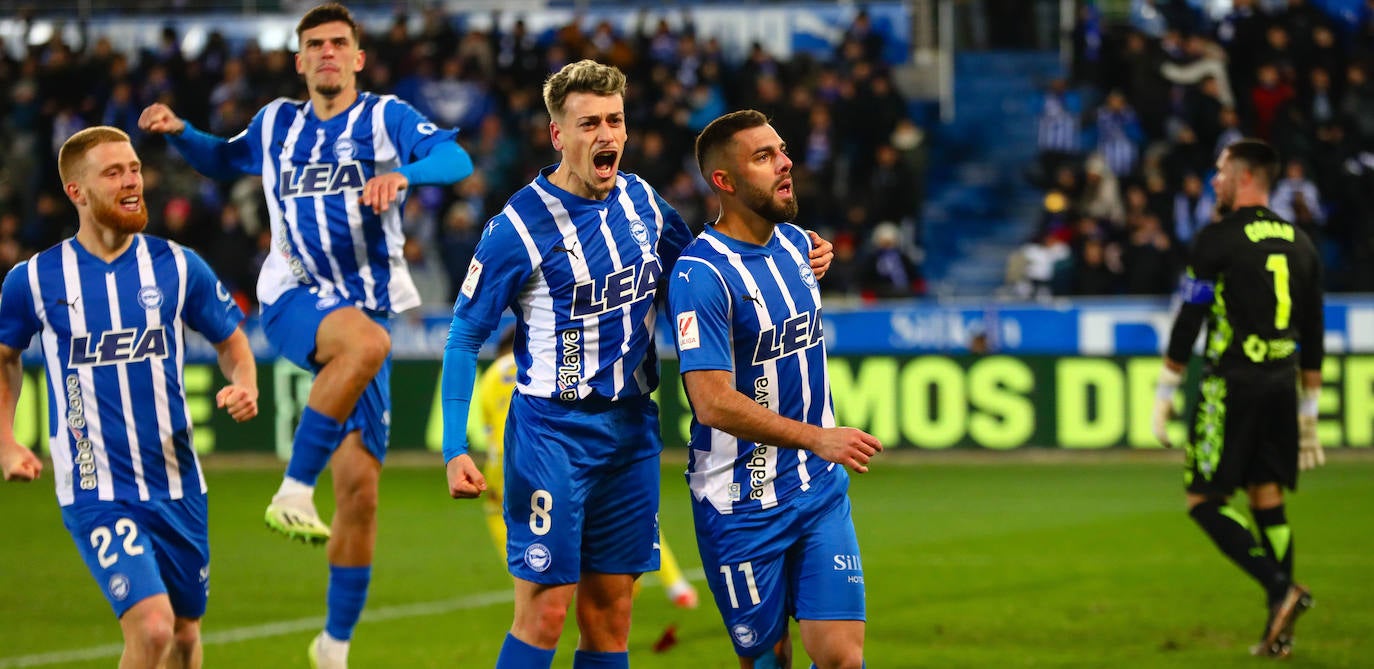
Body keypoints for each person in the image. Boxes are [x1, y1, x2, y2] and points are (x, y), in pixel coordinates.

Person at [439, 61, 832, 669]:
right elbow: (465, 335)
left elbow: (706, 267)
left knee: (611, 619)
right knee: (545, 613)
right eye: (589, 122)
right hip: (552, 434)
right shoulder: (516, 227)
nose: (607, 135)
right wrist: (453, 445)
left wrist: (789, 248)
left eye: (615, 120)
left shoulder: (643, 204)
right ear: (557, 136)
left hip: (630, 433)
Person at [138, 4, 478, 665]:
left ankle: (334, 644)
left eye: (338, 43)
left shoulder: (387, 119)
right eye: (314, 44)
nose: (326, 52)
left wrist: (405, 172)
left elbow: (456, 155)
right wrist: (181, 133)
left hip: (366, 308)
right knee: (369, 346)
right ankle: (293, 488)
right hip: (292, 294)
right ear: (299, 61)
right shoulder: (276, 124)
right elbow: (223, 159)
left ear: (357, 58)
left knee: (360, 494)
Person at [0, 126, 258, 669]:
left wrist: (245, 381)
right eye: (113, 173)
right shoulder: (35, 279)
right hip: (96, 486)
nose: (132, 181)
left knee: (186, 634)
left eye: (135, 169)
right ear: (77, 192)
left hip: (179, 480)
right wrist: (5, 442)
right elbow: (5, 359)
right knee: (154, 627)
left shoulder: (179, 266)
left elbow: (232, 342)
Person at [666, 109, 881, 669]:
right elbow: (710, 401)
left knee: (842, 659)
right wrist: (818, 437)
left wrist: (817, 450)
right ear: (725, 181)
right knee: (769, 663)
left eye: (782, 151)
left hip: (817, 490)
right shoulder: (700, 277)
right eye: (763, 157)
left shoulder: (795, 246)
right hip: (740, 504)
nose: (786, 164)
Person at [1153, 138, 1324, 659]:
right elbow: (1313, 329)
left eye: (1220, 171)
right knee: (1267, 499)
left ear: (1245, 177)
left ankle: (1279, 589)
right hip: (1280, 383)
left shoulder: (1217, 239)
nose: (1213, 180)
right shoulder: (1300, 242)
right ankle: (1281, 632)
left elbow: (1191, 316)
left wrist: (1165, 390)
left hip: (1231, 385)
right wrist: (1310, 408)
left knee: (1204, 501)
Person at [468, 326, 700, 610]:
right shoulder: (544, 362)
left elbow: (490, 428)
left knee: (515, 530)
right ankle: (672, 585)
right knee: (626, 516)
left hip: (506, 468)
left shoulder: (491, 376)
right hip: (555, 456)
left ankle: (534, 591)